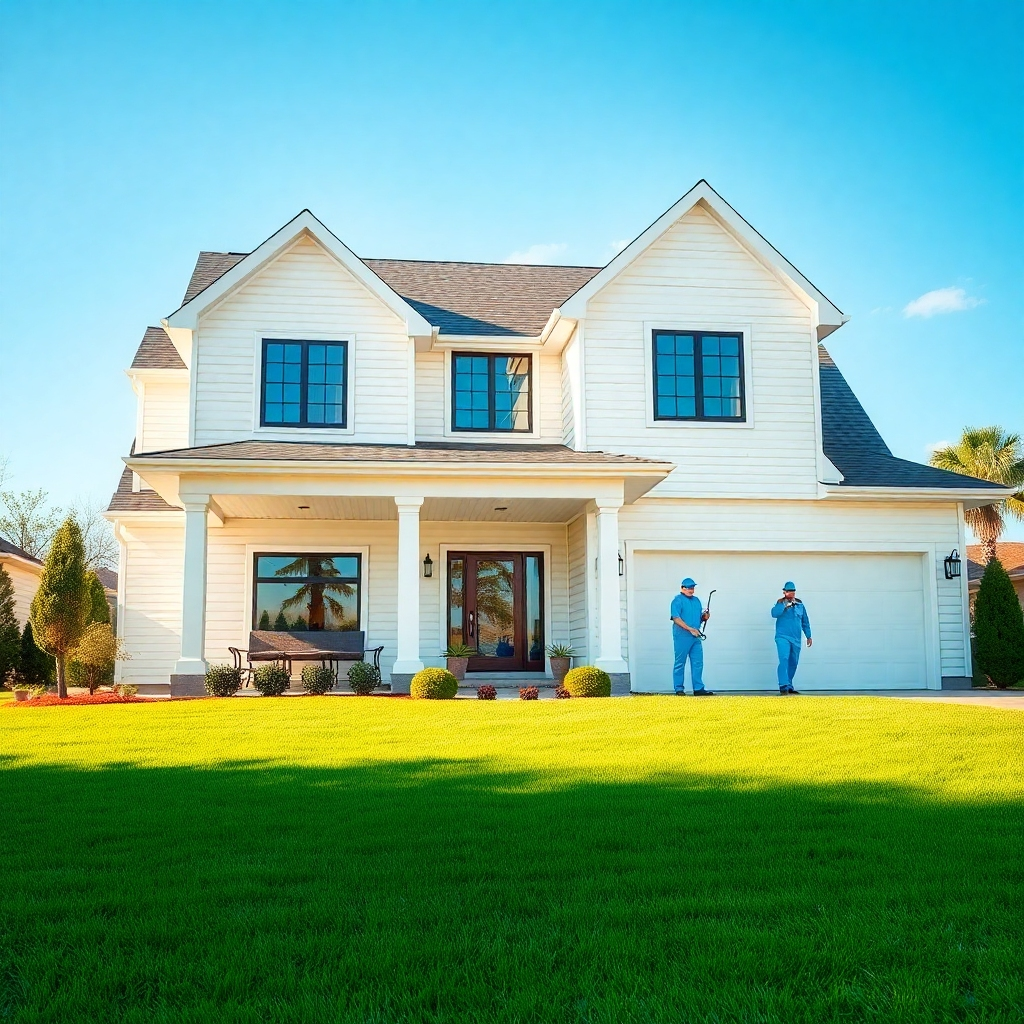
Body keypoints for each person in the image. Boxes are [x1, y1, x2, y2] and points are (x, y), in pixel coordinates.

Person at [670, 578, 713, 695]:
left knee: (698, 662)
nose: (691, 590)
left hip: (696, 636)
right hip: (682, 636)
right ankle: (679, 689)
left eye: (692, 587)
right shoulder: (677, 600)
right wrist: (690, 629)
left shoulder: (696, 601)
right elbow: (676, 618)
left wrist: (704, 617)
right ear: (682, 588)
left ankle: (698, 689)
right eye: (688, 587)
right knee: (680, 662)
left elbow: (699, 618)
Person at [771, 582, 812, 694]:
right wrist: (785, 605)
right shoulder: (780, 603)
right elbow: (774, 613)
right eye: (789, 591)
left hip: (796, 639)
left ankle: (789, 685)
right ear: (784, 592)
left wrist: (808, 636)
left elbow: (805, 622)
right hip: (782, 637)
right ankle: (783, 685)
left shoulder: (800, 605)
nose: (791, 593)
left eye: (793, 591)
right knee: (784, 659)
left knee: (793, 662)